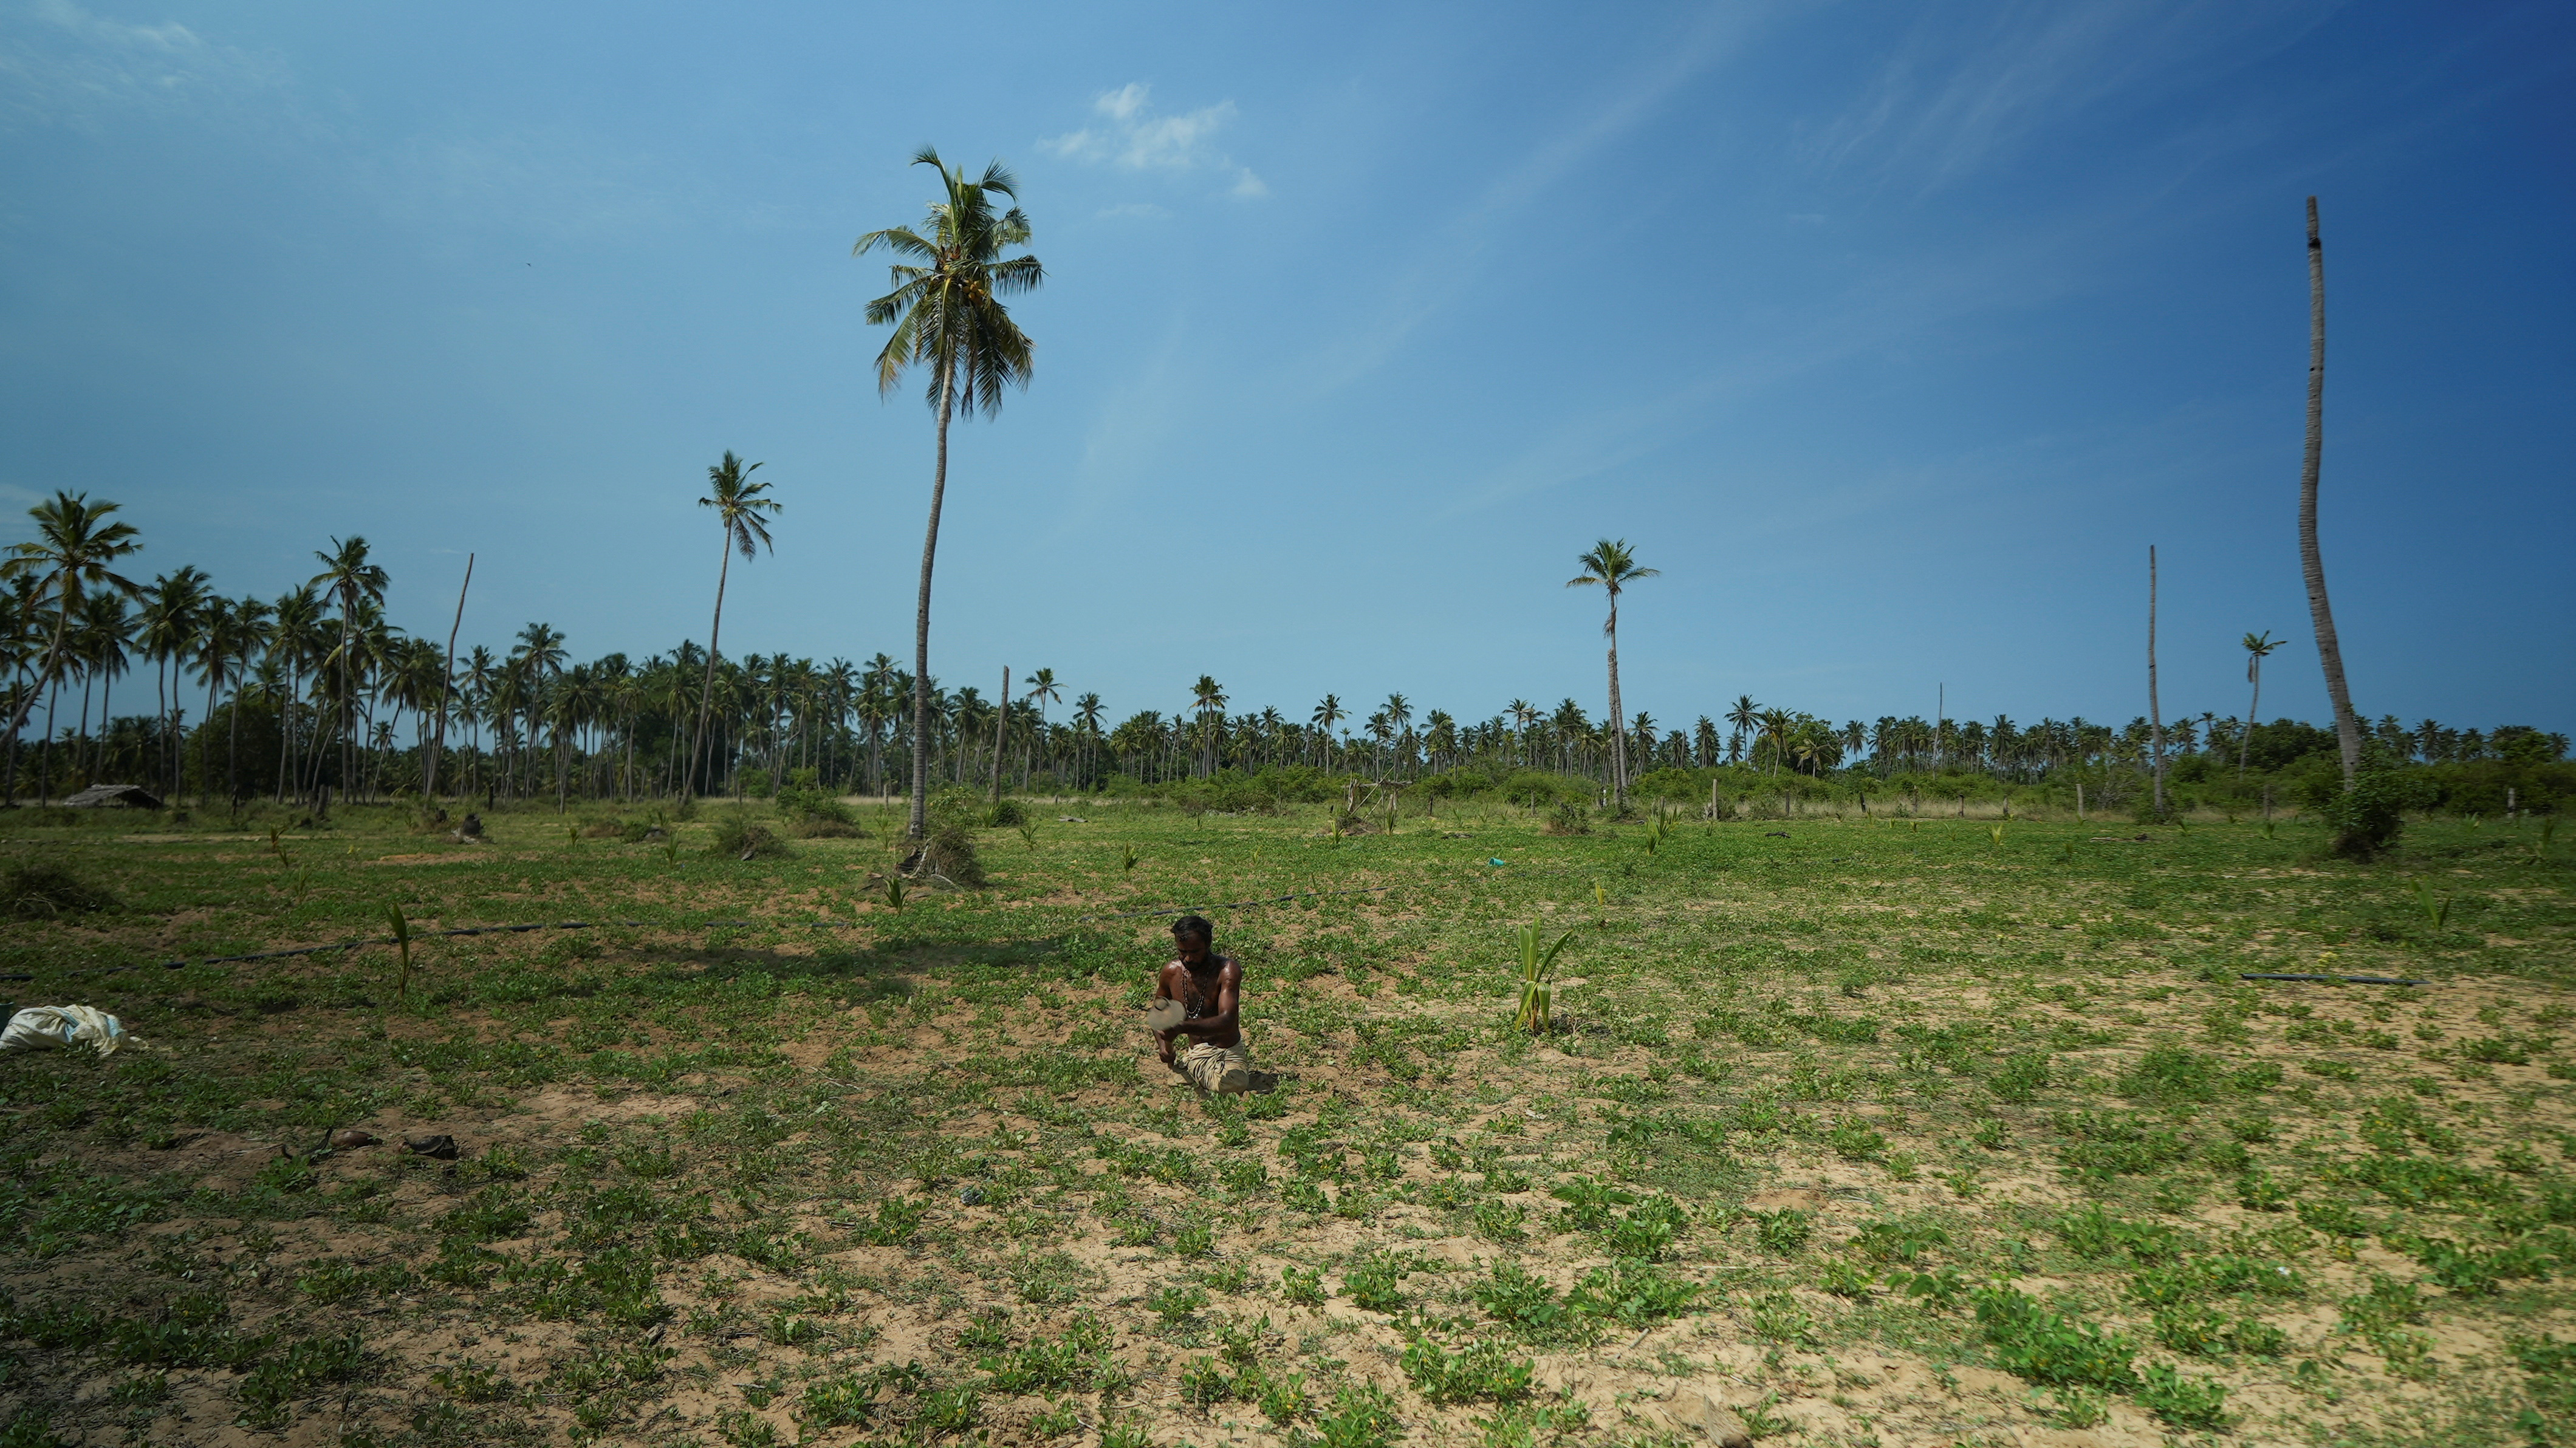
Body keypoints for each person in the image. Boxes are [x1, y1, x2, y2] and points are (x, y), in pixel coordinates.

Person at [1153, 915, 1254, 1095]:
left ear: (1208, 945)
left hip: (1228, 1051)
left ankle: (1190, 1072)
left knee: (1234, 1084)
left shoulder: (1227, 970)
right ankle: (1195, 1067)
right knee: (1229, 1085)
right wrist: (1163, 1046)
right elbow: (1158, 1013)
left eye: (1195, 952)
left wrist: (1181, 1027)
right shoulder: (1171, 972)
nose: (1188, 959)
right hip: (1198, 1052)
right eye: (1182, 951)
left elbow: (1227, 1020)